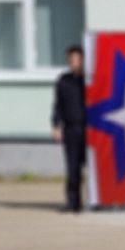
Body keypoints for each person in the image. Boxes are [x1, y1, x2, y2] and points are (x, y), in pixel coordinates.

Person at [51, 44, 87, 212]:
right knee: (73, 169)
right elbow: (58, 106)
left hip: (89, 130)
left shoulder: (89, 81)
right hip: (71, 130)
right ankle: (73, 202)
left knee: (94, 168)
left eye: (77, 59)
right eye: (70, 60)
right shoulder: (63, 81)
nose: (74, 62)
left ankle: (96, 201)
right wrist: (56, 125)